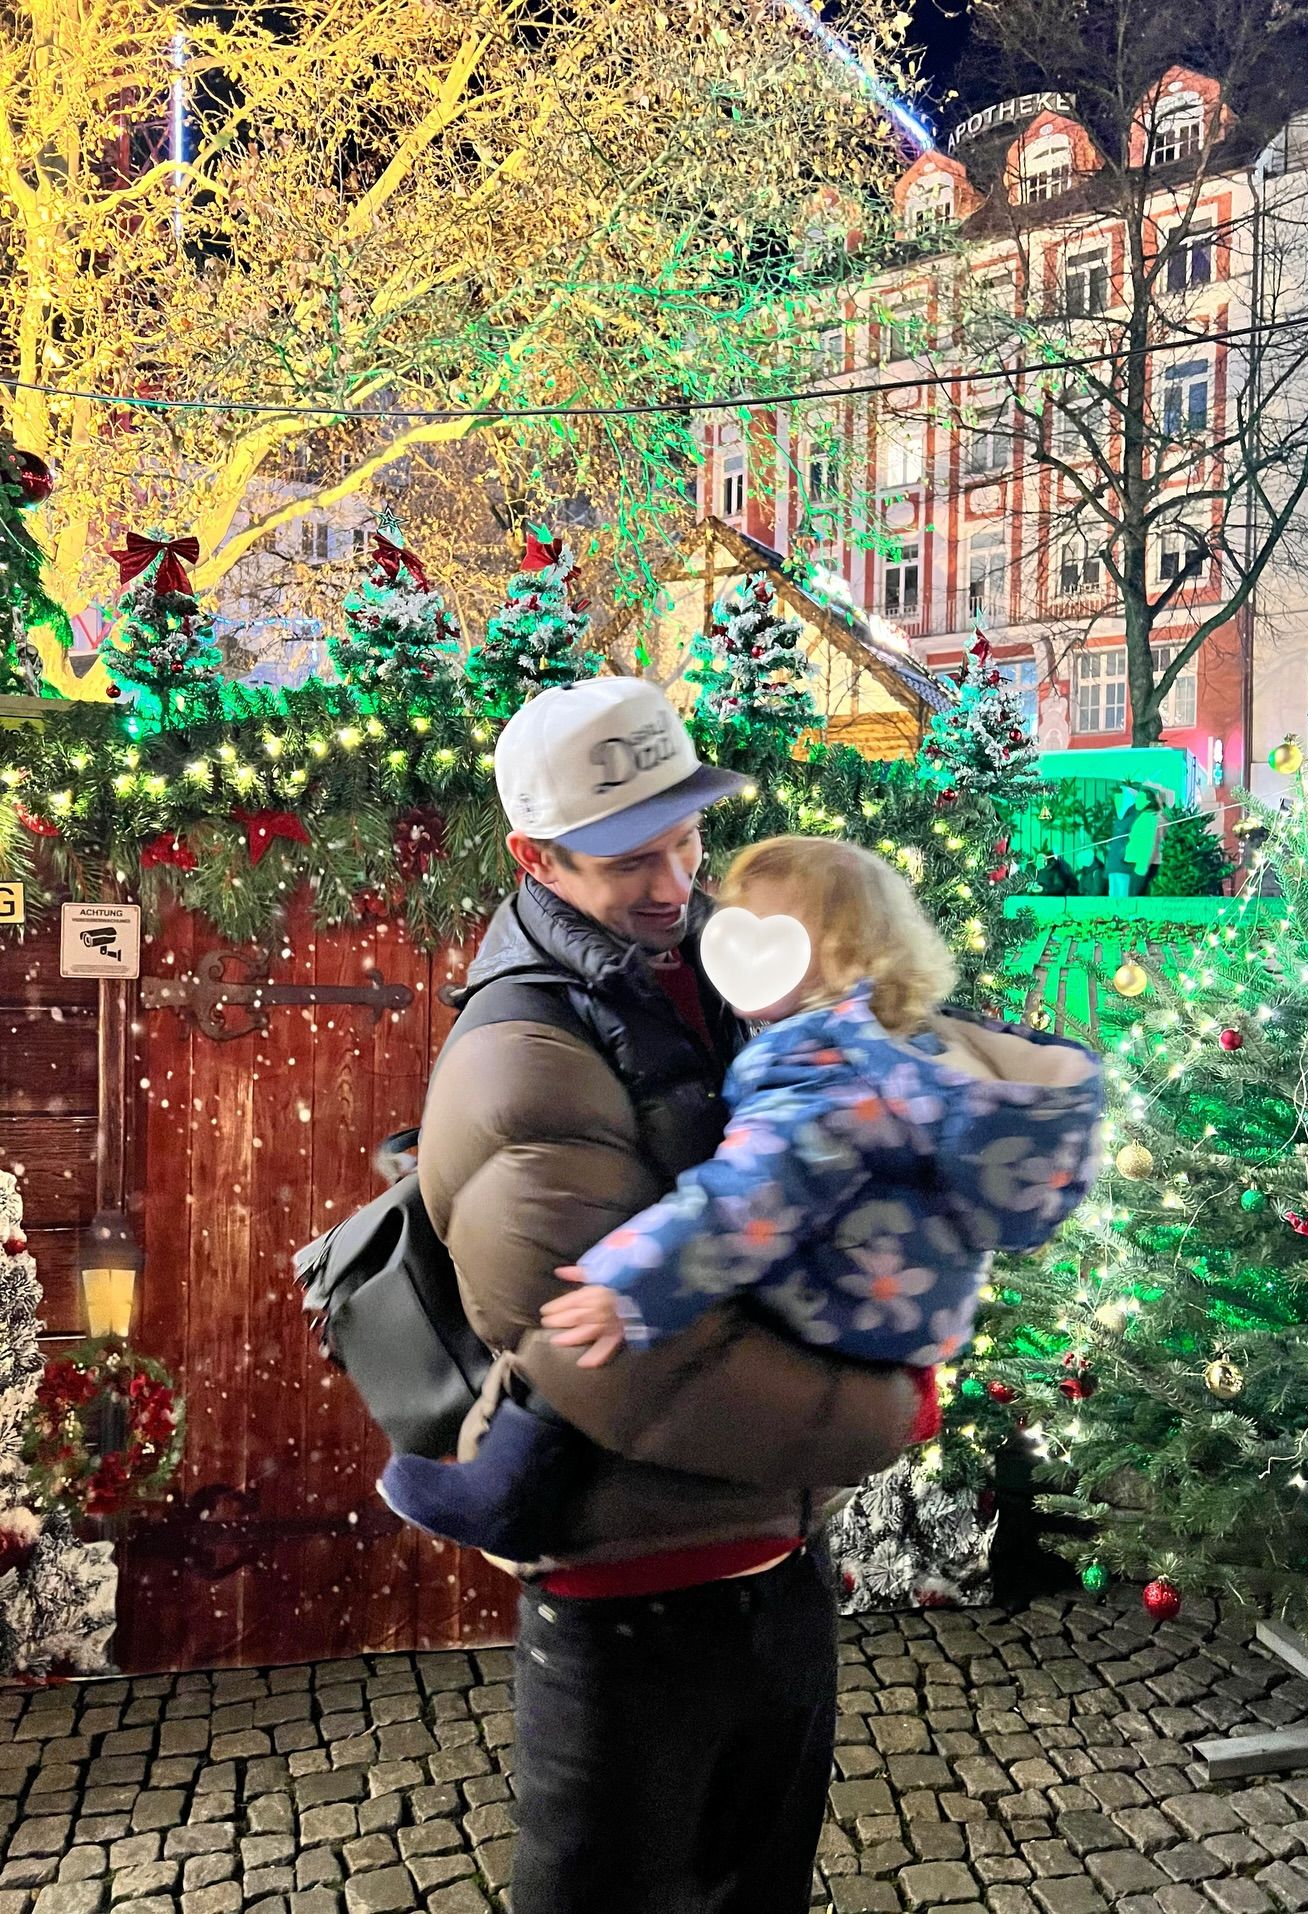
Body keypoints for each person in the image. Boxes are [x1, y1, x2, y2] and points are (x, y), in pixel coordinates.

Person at [406, 676, 924, 1914]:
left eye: (687, 839)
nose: (673, 880)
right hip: (630, 1599)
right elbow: (631, 1366)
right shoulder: (521, 1056)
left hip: (777, 1565)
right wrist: (890, 1409)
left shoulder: (717, 977)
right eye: (628, 857)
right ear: (535, 857)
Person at [539, 835, 1101, 1370]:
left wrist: (632, 1285)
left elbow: (748, 1196)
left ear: (836, 955)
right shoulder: (910, 1043)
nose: (731, 947)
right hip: (915, 1314)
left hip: (840, 1313)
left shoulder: (820, 1070)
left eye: (763, 929)